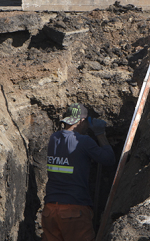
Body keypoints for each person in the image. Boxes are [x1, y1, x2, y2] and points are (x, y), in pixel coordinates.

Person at [42, 103, 115, 241]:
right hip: (74, 211)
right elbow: (109, 159)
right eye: (86, 123)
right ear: (82, 121)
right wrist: (100, 134)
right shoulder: (84, 141)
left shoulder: (54, 139)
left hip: (50, 210)